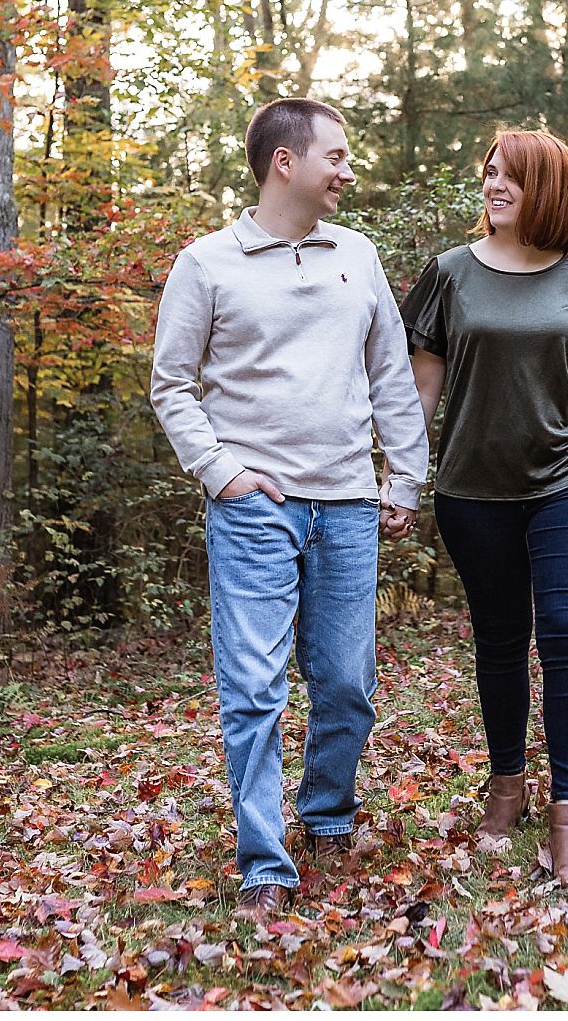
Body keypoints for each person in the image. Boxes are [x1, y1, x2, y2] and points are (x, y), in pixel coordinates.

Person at [149, 97, 427, 919]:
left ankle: (328, 814)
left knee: (346, 683)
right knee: (255, 687)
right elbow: (172, 384)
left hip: (346, 502)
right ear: (286, 163)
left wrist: (403, 477)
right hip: (254, 506)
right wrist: (220, 472)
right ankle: (265, 863)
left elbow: (390, 376)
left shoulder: (359, 254)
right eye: (335, 156)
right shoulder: (207, 263)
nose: (347, 170)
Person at [399, 129, 568, 884]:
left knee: (567, 631)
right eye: (490, 173)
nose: (494, 186)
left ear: (549, 189)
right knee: (499, 638)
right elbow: (420, 389)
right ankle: (506, 786)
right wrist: (400, 474)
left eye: (512, 177)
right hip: (473, 486)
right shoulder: (448, 275)